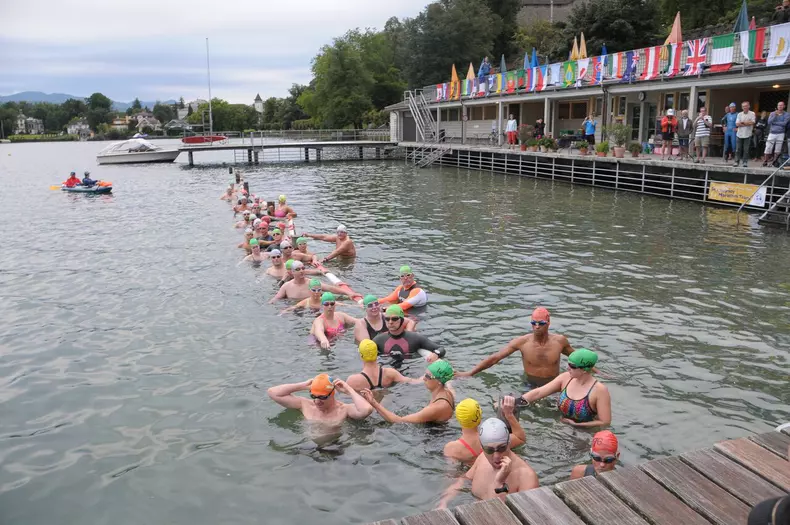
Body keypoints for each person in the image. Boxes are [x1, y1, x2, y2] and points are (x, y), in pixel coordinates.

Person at [456, 307, 574, 389]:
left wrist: (592, 371)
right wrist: (469, 373)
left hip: (555, 384)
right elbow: (495, 358)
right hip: (530, 384)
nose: (537, 327)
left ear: (548, 323)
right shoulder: (522, 342)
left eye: (541, 323)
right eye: (534, 323)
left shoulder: (559, 341)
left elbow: (577, 359)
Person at [438, 418, 539, 508]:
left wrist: (500, 482)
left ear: (509, 443)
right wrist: (444, 502)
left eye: (501, 448)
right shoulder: (482, 458)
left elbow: (517, 517)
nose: (496, 456)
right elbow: (463, 480)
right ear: (482, 448)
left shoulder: (526, 477)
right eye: (489, 450)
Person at [521, 348, 611, 428]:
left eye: (572, 366)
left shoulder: (600, 390)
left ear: (584, 370)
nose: (567, 368)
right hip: (561, 424)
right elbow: (539, 392)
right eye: (568, 364)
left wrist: (576, 425)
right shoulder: (565, 378)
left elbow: (604, 422)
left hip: (585, 432)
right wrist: (518, 401)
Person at [360, 359, 455, 424]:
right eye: (424, 374)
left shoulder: (436, 407)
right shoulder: (447, 391)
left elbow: (398, 421)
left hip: (434, 439)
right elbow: (448, 381)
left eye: (427, 376)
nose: (424, 379)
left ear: (439, 381)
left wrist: (374, 403)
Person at [444, 397, 526, 464]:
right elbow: (520, 438)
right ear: (479, 417)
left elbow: (452, 476)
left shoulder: (452, 448)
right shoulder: (493, 439)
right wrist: (509, 415)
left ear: (459, 419)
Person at [267, 373, 372, 422]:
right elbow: (273, 393)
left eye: (322, 397)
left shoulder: (344, 410)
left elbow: (366, 409)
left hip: (335, 449)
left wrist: (349, 390)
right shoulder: (305, 405)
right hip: (308, 450)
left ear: (332, 393)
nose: (317, 401)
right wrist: (302, 385)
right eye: (313, 396)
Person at [373, 305, 444, 361]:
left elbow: (441, 349)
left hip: (411, 370)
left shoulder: (415, 338)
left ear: (402, 320)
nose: (390, 322)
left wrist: (436, 354)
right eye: (387, 319)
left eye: (394, 319)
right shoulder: (379, 339)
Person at [346, 339, 422, 391]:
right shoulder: (390, 373)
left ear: (361, 355)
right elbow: (413, 382)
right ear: (376, 354)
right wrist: (427, 376)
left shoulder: (353, 381)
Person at [269, 265, 350, 302]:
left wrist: (348, 293)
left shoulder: (312, 283)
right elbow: (276, 299)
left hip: (312, 309)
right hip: (293, 311)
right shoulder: (286, 286)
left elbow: (330, 288)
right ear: (292, 272)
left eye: (303, 268)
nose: (301, 271)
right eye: (298, 269)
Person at [763, 101, 788, 166]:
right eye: (779, 105)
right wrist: (775, 116)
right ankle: (765, 161)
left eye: (781, 105)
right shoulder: (772, 113)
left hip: (781, 133)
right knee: (768, 147)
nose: (780, 106)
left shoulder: (787, 114)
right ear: (777, 106)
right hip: (772, 133)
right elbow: (769, 122)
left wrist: (774, 123)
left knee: (778, 148)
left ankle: (775, 161)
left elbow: (784, 124)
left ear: (784, 106)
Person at [735, 101, 756, 168]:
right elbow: (737, 124)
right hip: (739, 134)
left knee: (746, 150)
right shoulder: (739, 114)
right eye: (743, 106)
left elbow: (752, 122)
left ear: (749, 106)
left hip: (748, 134)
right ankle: (736, 161)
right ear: (742, 107)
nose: (745, 107)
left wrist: (742, 123)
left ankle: (745, 162)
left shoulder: (752, 113)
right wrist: (747, 123)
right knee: (738, 149)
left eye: (746, 106)